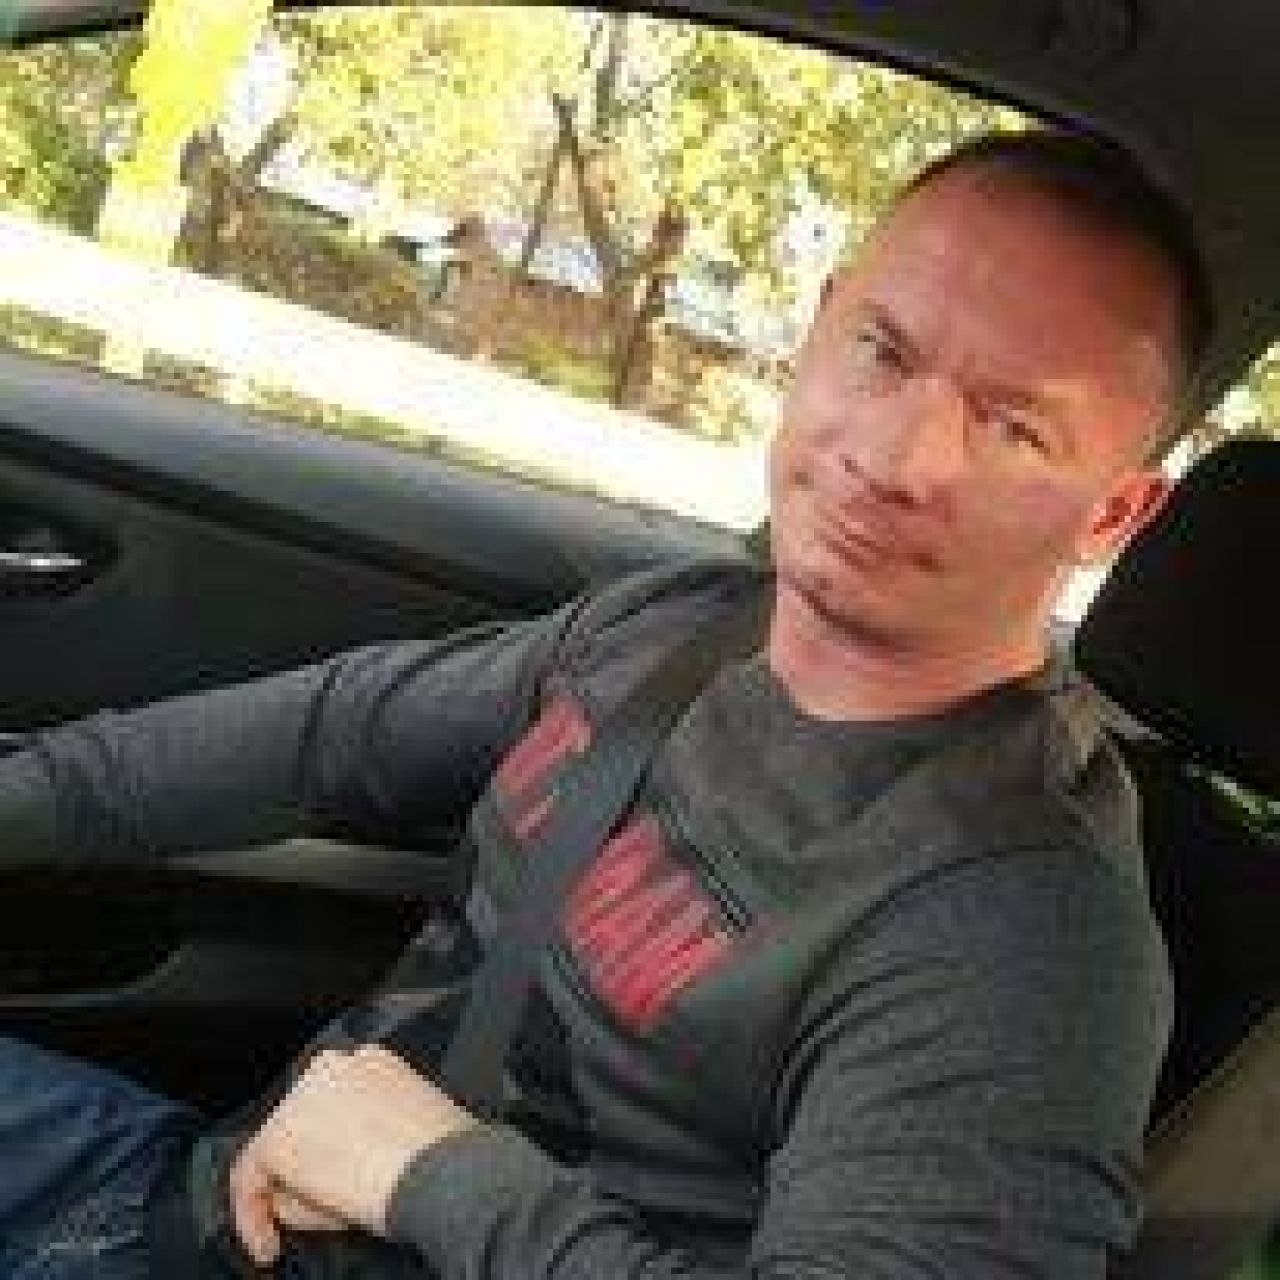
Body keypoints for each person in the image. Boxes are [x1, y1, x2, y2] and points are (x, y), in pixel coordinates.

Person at [0, 128, 1214, 1278]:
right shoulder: (676, 625)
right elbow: (330, 734)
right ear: (817, 326)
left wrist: (437, 1176)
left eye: (1011, 426)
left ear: (1110, 514)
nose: (895, 458)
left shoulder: (1028, 936)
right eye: (882, 351)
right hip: (184, 1208)